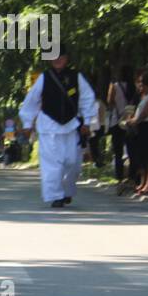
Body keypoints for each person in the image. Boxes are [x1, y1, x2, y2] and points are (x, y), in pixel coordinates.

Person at [18, 48, 97, 208]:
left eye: (60, 56)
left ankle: (67, 191)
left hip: (71, 125)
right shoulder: (43, 78)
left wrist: (87, 122)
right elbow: (31, 101)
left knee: (72, 162)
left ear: (66, 58)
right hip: (48, 126)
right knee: (52, 163)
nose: (57, 59)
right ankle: (56, 195)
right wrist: (27, 124)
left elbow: (87, 99)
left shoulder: (76, 77)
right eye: (53, 56)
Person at [122, 69, 148, 196]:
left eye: (141, 82)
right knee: (144, 157)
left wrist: (133, 121)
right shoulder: (145, 96)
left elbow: (145, 113)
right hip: (144, 128)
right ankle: (145, 182)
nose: (139, 85)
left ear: (147, 83)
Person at [106, 65, 136, 185]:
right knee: (131, 150)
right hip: (130, 120)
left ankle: (119, 177)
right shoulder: (133, 86)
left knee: (118, 152)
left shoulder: (115, 85)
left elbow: (110, 102)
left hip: (117, 120)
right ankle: (132, 177)